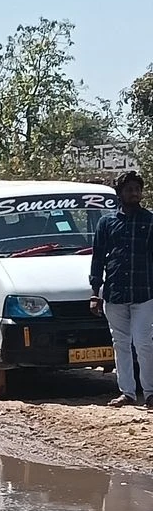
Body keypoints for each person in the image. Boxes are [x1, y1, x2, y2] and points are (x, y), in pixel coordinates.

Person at [89, 169, 153, 407]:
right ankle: (127, 392)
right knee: (120, 343)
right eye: (129, 190)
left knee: (144, 343)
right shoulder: (107, 223)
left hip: (145, 293)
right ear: (120, 193)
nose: (134, 193)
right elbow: (98, 259)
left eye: (137, 189)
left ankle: (150, 392)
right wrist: (95, 293)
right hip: (114, 293)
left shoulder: (150, 221)